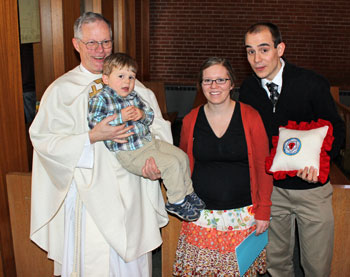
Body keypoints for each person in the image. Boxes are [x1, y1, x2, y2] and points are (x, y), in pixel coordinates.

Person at [29, 12, 172, 276]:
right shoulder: (62, 91)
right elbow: (44, 141)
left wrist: (155, 164)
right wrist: (92, 137)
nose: (100, 50)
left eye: (106, 42)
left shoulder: (136, 88)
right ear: (76, 44)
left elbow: (160, 132)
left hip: (133, 193)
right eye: (92, 43)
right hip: (87, 197)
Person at [239, 22, 345, 277]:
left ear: (280, 48)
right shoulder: (249, 89)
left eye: (263, 49)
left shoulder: (311, 83)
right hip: (272, 190)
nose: (256, 59)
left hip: (311, 190)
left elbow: (337, 130)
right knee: (276, 264)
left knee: (317, 267)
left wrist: (321, 165)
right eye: (250, 51)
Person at [172, 57, 273, 276]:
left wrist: (264, 209)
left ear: (231, 83)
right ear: (201, 85)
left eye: (220, 80)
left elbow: (263, 166)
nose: (214, 86)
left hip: (242, 215)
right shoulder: (190, 119)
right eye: (208, 81)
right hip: (201, 216)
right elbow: (182, 163)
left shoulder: (250, 117)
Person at [88, 52, 205, 221]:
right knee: (171, 164)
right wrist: (121, 117)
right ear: (105, 79)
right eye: (121, 76)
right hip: (130, 152)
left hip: (148, 142)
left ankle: (188, 193)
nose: (127, 81)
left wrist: (141, 114)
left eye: (131, 77)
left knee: (181, 156)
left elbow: (151, 116)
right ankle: (176, 201)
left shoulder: (134, 96)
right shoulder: (101, 99)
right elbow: (95, 124)